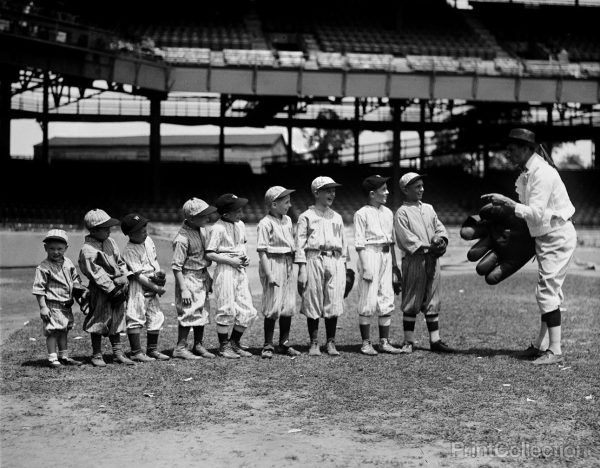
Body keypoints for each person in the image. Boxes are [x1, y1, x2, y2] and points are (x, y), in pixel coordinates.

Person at [482, 128, 576, 365]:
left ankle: (555, 351)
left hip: (556, 235)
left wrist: (507, 203)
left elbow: (536, 214)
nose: (509, 154)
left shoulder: (541, 173)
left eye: (513, 149)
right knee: (549, 292)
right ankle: (542, 345)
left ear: (526, 149)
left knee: (546, 292)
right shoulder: (528, 172)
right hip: (545, 236)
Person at [394, 172, 453, 354]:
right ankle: (408, 341)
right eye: (417, 186)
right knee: (412, 299)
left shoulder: (429, 208)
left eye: (421, 185)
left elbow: (440, 228)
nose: (421, 189)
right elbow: (406, 240)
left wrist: (441, 239)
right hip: (415, 260)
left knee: (433, 299)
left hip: (433, 260)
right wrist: (429, 246)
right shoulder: (402, 212)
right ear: (406, 190)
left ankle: (435, 341)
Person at [296, 176, 349, 356]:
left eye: (333, 190)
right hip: (313, 257)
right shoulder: (306, 216)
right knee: (313, 299)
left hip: (334, 259)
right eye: (327, 190)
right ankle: (314, 342)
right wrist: (302, 269)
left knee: (333, 300)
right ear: (316, 192)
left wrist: (345, 266)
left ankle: (331, 342)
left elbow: (344, 244)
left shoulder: (338, 217)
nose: (332, 194)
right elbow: (300, 244)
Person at [354, 175, 402, 356]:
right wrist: (365, 266)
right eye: (383, 189)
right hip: (370, 254)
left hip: (386, 255)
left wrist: (395, 267)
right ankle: (366, 343)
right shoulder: (361, 213)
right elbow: (359, 243)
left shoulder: (388, 212)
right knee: (368, 298)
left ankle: (384, 342)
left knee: (386, 296)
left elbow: (391, 243)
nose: (387, 192)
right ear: (372, 194)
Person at [79, 209, 134, 367]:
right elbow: (95, 273)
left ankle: (117, 352)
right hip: (101, 290)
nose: (109, 230)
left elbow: (120, 261)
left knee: (116, 319)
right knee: (99, 320)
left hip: (118, 285)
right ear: (94, 230)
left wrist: (124, 276)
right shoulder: (88, 249)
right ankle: (96, 353)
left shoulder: (111, 242)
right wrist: (111, 289)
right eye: (105, 228)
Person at [205, 193, 258, 359]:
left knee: (248, 310)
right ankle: (223, 346)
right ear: (226, 213)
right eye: (237, 210)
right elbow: (210, 254)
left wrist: (244, 258)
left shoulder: (240, 224)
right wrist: (230, 260)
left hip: (239, 268)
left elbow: (241, 246)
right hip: (225, 269)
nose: (241, 212)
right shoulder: (217, 228)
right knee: (226, 307)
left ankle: (234, 342)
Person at [257, 186, 301, 359]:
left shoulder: (288, 220)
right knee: (272, 305)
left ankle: (284, 343)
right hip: (272, 262)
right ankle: (268, 344)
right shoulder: (265, 223)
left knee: (288, 305)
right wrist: (269, 274)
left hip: (287, 262)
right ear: (274, 204)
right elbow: (262, 251)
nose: (289, 205)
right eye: (286, 202)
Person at [171, 198, 219, 360]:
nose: (208, 218)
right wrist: (183, 289)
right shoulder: (182, 239)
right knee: (188, 311)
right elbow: (176, 267)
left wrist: (208, 276)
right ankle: (180, 347)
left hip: (201, 275)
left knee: (202, 311)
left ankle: (198, 345)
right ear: (191, 218)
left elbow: (203, 257)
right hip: (188, 277)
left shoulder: (201, 230)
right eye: (203, 215)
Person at [32, 229, 87, 367]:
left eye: (60, 249)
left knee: (63, 330)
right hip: (52, 305)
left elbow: (75, 279)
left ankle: (64, 356)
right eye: (52, 248)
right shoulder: (43, 268)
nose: (56, 252)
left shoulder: (68, 262)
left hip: (66, 305)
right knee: (52, 331)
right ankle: (52, 358)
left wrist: (80, 291)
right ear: (45, 248)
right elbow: (39, 289)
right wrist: (43, 307)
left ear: (66, 248)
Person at [121, 213, 169, 362]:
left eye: (144, 228)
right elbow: (137, 276)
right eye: (140, 230)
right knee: (135, 315)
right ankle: (136, 352)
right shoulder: (129, 250)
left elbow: (153, 261)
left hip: (152, 281)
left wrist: (159, 274)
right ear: (130, 233)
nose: (144, 232)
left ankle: (152, 350)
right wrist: (156, 288)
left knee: (156, 316)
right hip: (138, 286)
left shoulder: (148, 240)